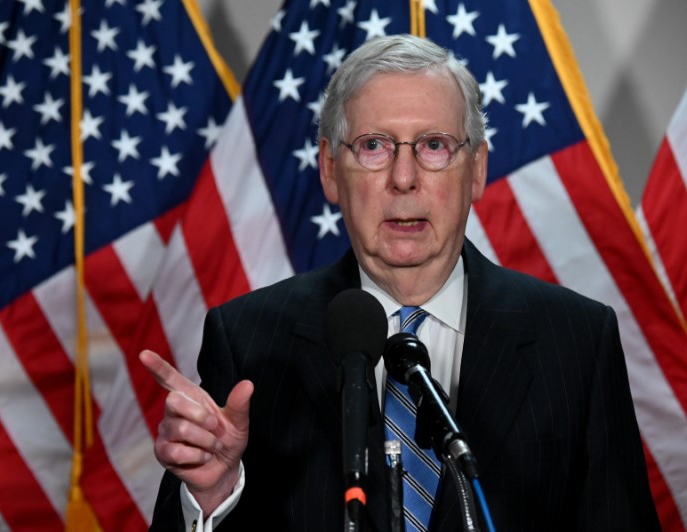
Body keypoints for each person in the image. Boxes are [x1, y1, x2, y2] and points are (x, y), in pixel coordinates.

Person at [141, 34, 660, 531]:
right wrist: (210, 497)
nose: (404, 178)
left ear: (476, 169)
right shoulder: (249, 341)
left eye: (434, 145)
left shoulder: (576, 341)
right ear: (329, 170)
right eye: (374, 146)